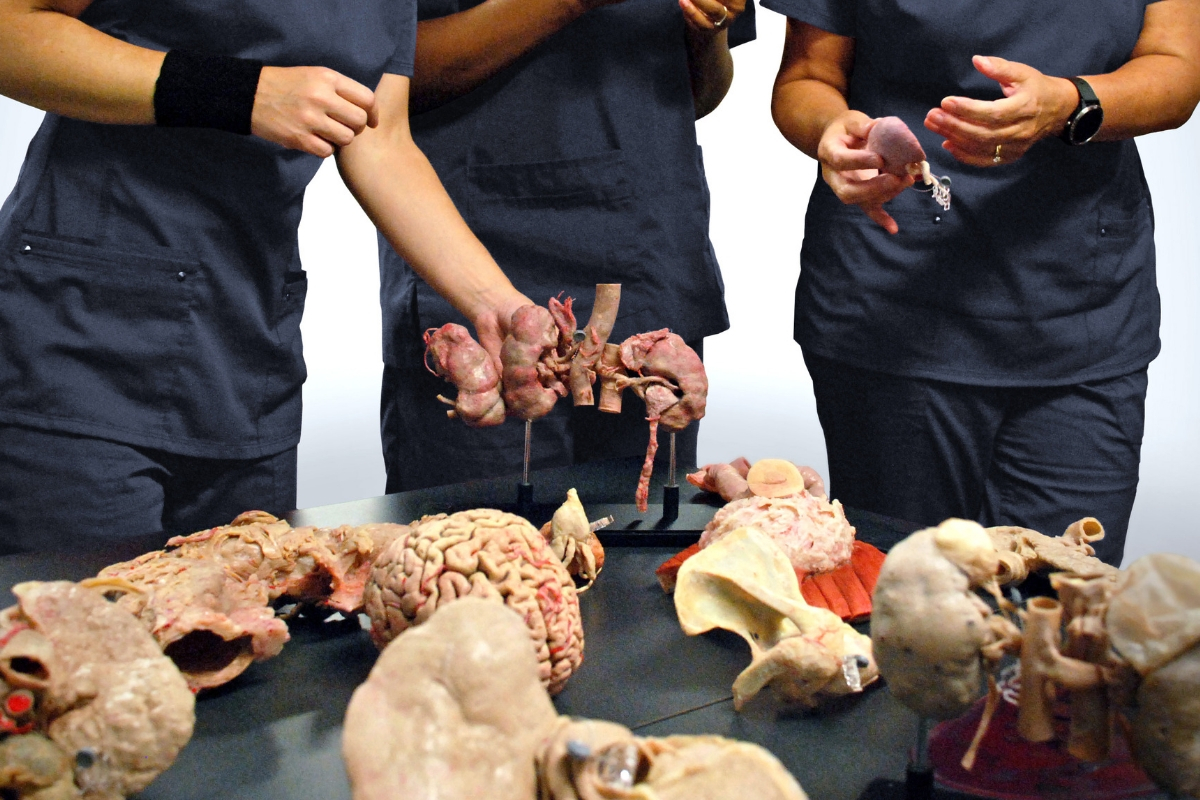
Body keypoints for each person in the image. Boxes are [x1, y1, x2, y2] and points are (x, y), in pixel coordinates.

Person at [0, 0, 531, 551]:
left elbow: (381, 138)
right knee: (89, 621)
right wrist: (234, 91)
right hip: (80, 333)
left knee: (244, 619)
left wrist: (499, 305)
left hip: (247, 351)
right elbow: (10, 30)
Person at [765, 0, 1200, 565]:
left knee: (1062, 612)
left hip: (1080, 305)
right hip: (894, 301)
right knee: (905, 605)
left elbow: (1177, 66)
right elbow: (808, 77)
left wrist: (1070, 104)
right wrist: (831, 131)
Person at [378, 0, 757, 492]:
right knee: (479, 549)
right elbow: (383, 75)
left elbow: (694, 95)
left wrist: (709, 31)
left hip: (642, 257)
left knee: (641, 547)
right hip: (473, 251)